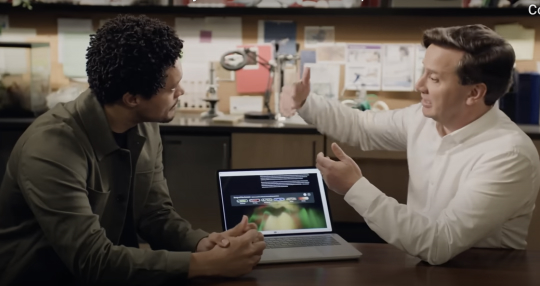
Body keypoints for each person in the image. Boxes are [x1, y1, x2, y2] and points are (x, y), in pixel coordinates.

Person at [0, 15, 265, 285]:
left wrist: (202, 244)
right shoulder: (51, 148)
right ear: (132, 98)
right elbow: (93, 261)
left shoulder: (144, 124)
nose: (181, 92)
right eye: (172, 88)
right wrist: (204, 265)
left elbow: (154, 214)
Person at [280, 24, 540, 265]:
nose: (419, 85)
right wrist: (305, 102)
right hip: (420, 264)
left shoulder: (508, 154)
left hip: (482, 275)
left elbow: (439, 243)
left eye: (434, 79)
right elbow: (361, 127)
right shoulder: (423, 119)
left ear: (474, 93)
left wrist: (353, 188)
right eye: (423, 71)